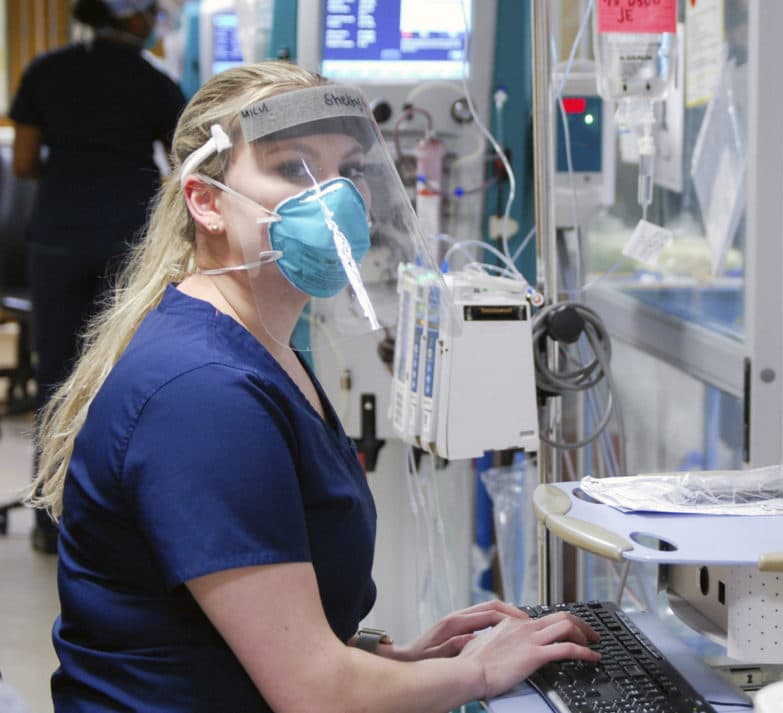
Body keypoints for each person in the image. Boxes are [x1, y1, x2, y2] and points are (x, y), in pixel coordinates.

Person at [25, 61, 600, 712]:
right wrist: (480, 673)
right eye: (293, 167)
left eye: (348, 170)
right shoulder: (202, 394)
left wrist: (393, 658)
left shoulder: (266, 347)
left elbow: (233, 637)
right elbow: (315, 693)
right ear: (206, 200)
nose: (334, 198)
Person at [9, 0, 186, 554]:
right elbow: (186, 165)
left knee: (57, 378)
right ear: (130, 16)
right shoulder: (154, 83)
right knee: (122, 376)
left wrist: (72, 176)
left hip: (58, 238)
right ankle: (114, 522)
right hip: (127, 242)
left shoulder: (46, 70)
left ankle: (47, 520)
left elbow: (22, 164)